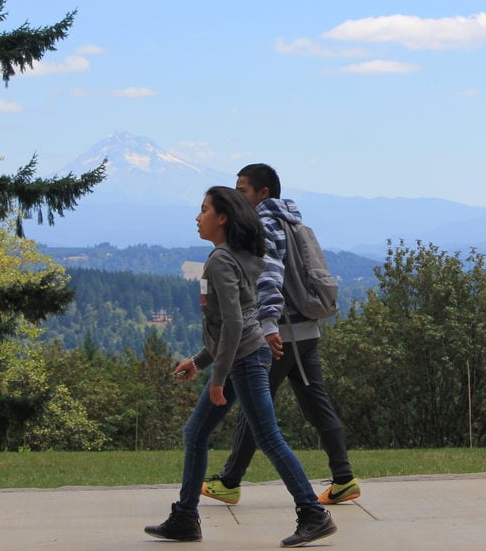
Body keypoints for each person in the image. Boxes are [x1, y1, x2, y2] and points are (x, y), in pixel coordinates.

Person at [143, 186, 337, 547]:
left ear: (223, 218)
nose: (197, 217)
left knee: (267, 436)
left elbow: (234, 323)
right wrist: (201, 361)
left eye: (203, 210)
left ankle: (313, 513)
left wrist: (217, 378)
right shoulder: (237, 255)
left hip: (244, 359)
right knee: (196, 433)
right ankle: (185, 517)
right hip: (244, 354)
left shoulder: (221, 260)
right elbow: (241, 318)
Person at [201, 163, 360, 507]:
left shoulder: (265, 223)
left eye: (242, 190)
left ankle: (229, 482)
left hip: (280, 333)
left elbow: (268, 276)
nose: (238, 195)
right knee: (317, 406)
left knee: (255, 406)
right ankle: (344, 479)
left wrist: (268, 324)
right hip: (305, 331)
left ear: (263, 194)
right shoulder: (294, 222)